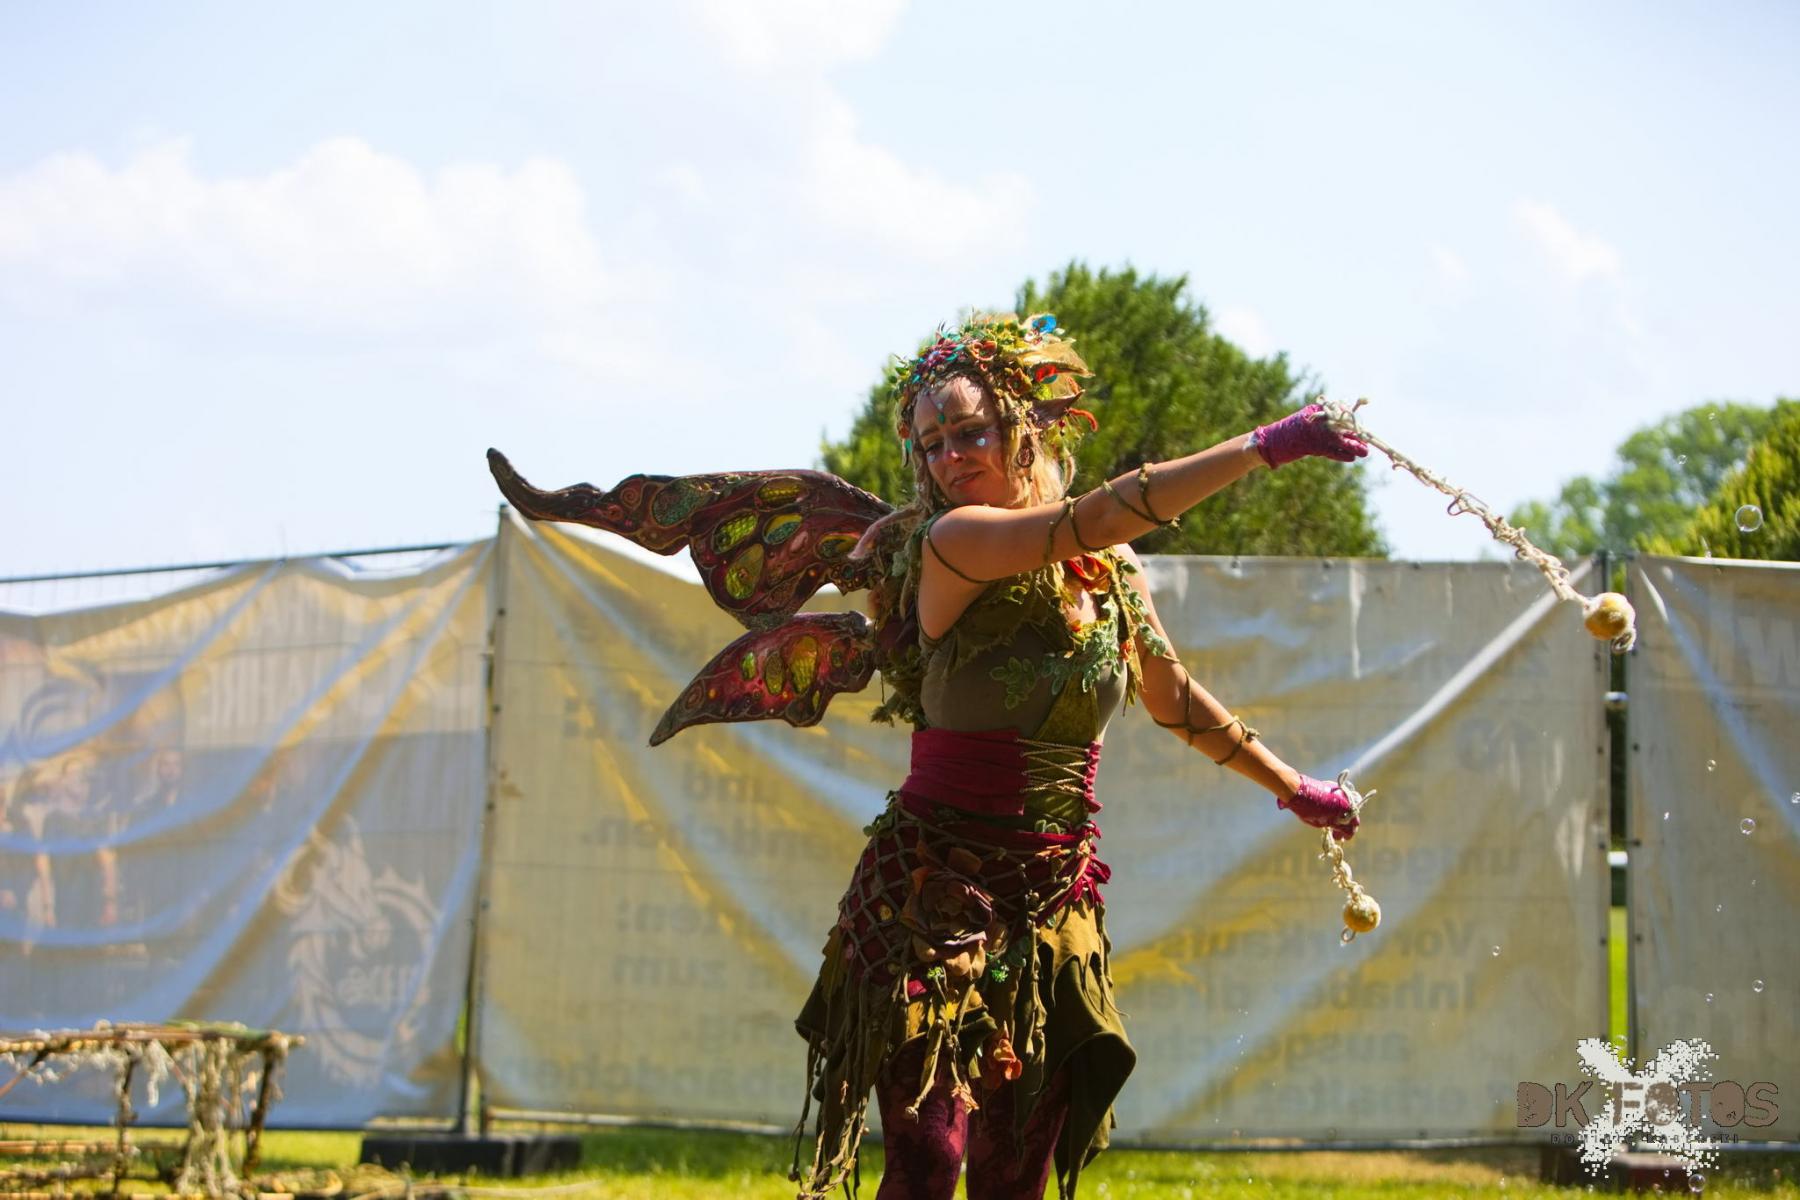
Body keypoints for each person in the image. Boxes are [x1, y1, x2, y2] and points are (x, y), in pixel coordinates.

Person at [788, 314, 1368, 1200]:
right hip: (929, 889)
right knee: (928, 1160)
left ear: (1024, 427)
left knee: (1014, 1175)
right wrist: (1263, 445)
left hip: (1054, 900)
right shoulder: (955, 541)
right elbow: (1090, 517)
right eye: (931, 444)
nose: (949, 458)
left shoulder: (1113, 570)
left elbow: (1172, 699)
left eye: (969, 432)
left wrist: (1292, 787)